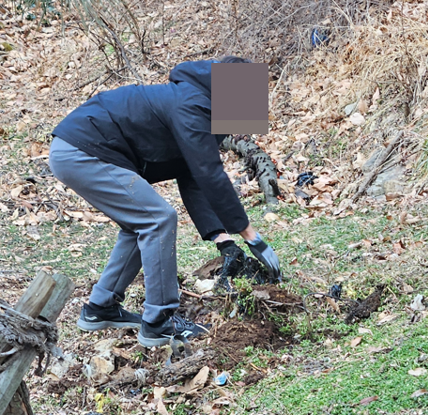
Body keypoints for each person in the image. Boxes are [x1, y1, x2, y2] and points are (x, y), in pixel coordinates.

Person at [48, 56, 282, 347]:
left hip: (80, 149)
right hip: (82, 151)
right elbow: (211, 173)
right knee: (158, 218)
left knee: (141, 223)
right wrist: (251, 235)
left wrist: (223, 238)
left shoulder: (199, 103)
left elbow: (194, 174)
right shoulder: (192, 106)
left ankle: (100, 308)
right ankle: (159, 322)